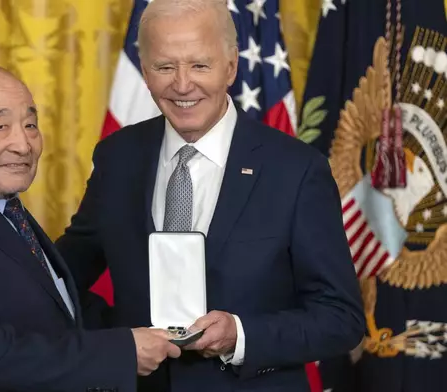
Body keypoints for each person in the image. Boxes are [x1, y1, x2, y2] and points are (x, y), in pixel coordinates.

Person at [56, 0, 365, 391]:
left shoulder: (297, 171)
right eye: (165, 66)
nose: (183, 84)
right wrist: (118, 339)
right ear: (145, 72)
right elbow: (63, 277)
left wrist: (240, 335)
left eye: (200, 65)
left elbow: (341, 318)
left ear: (231, 66)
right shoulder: (118, 157)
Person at [0, 64, 180, 392]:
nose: (24, 145)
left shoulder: (1, 204)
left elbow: (54, 308)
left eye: (30, 125)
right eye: (0, 126)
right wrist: (123, 351)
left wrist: (166, 331)